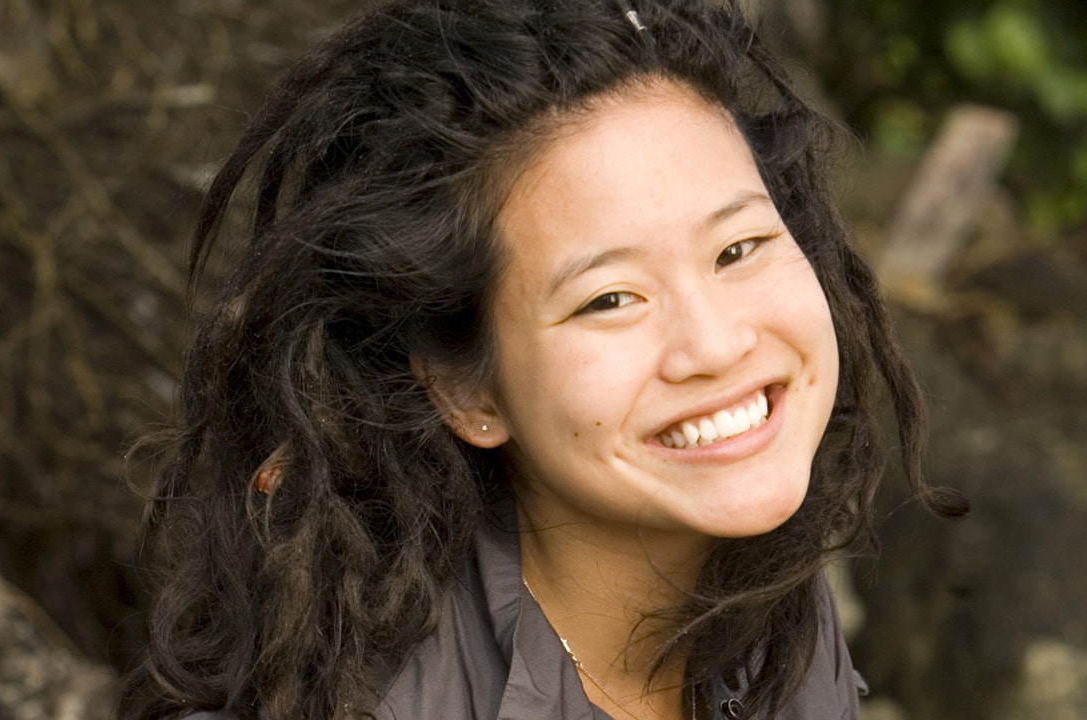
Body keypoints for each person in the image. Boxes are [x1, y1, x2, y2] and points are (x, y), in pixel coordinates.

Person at [117, 1, 966, 718]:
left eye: (738, 249)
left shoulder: (768, 611)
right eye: (610, 299)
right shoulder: (359, 700)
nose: (717, 344)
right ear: (466, 389)